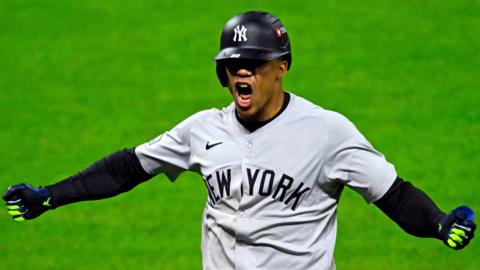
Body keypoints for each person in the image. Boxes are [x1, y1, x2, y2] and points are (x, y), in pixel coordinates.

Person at [3, 11, 476, 270]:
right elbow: (128, 168)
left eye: (255, 63)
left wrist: (437, 223)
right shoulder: (202, 129)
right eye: (234, 64)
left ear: (282, 67)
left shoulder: (328, 132)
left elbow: (393, 194)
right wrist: (51, 196)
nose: (242, 72)